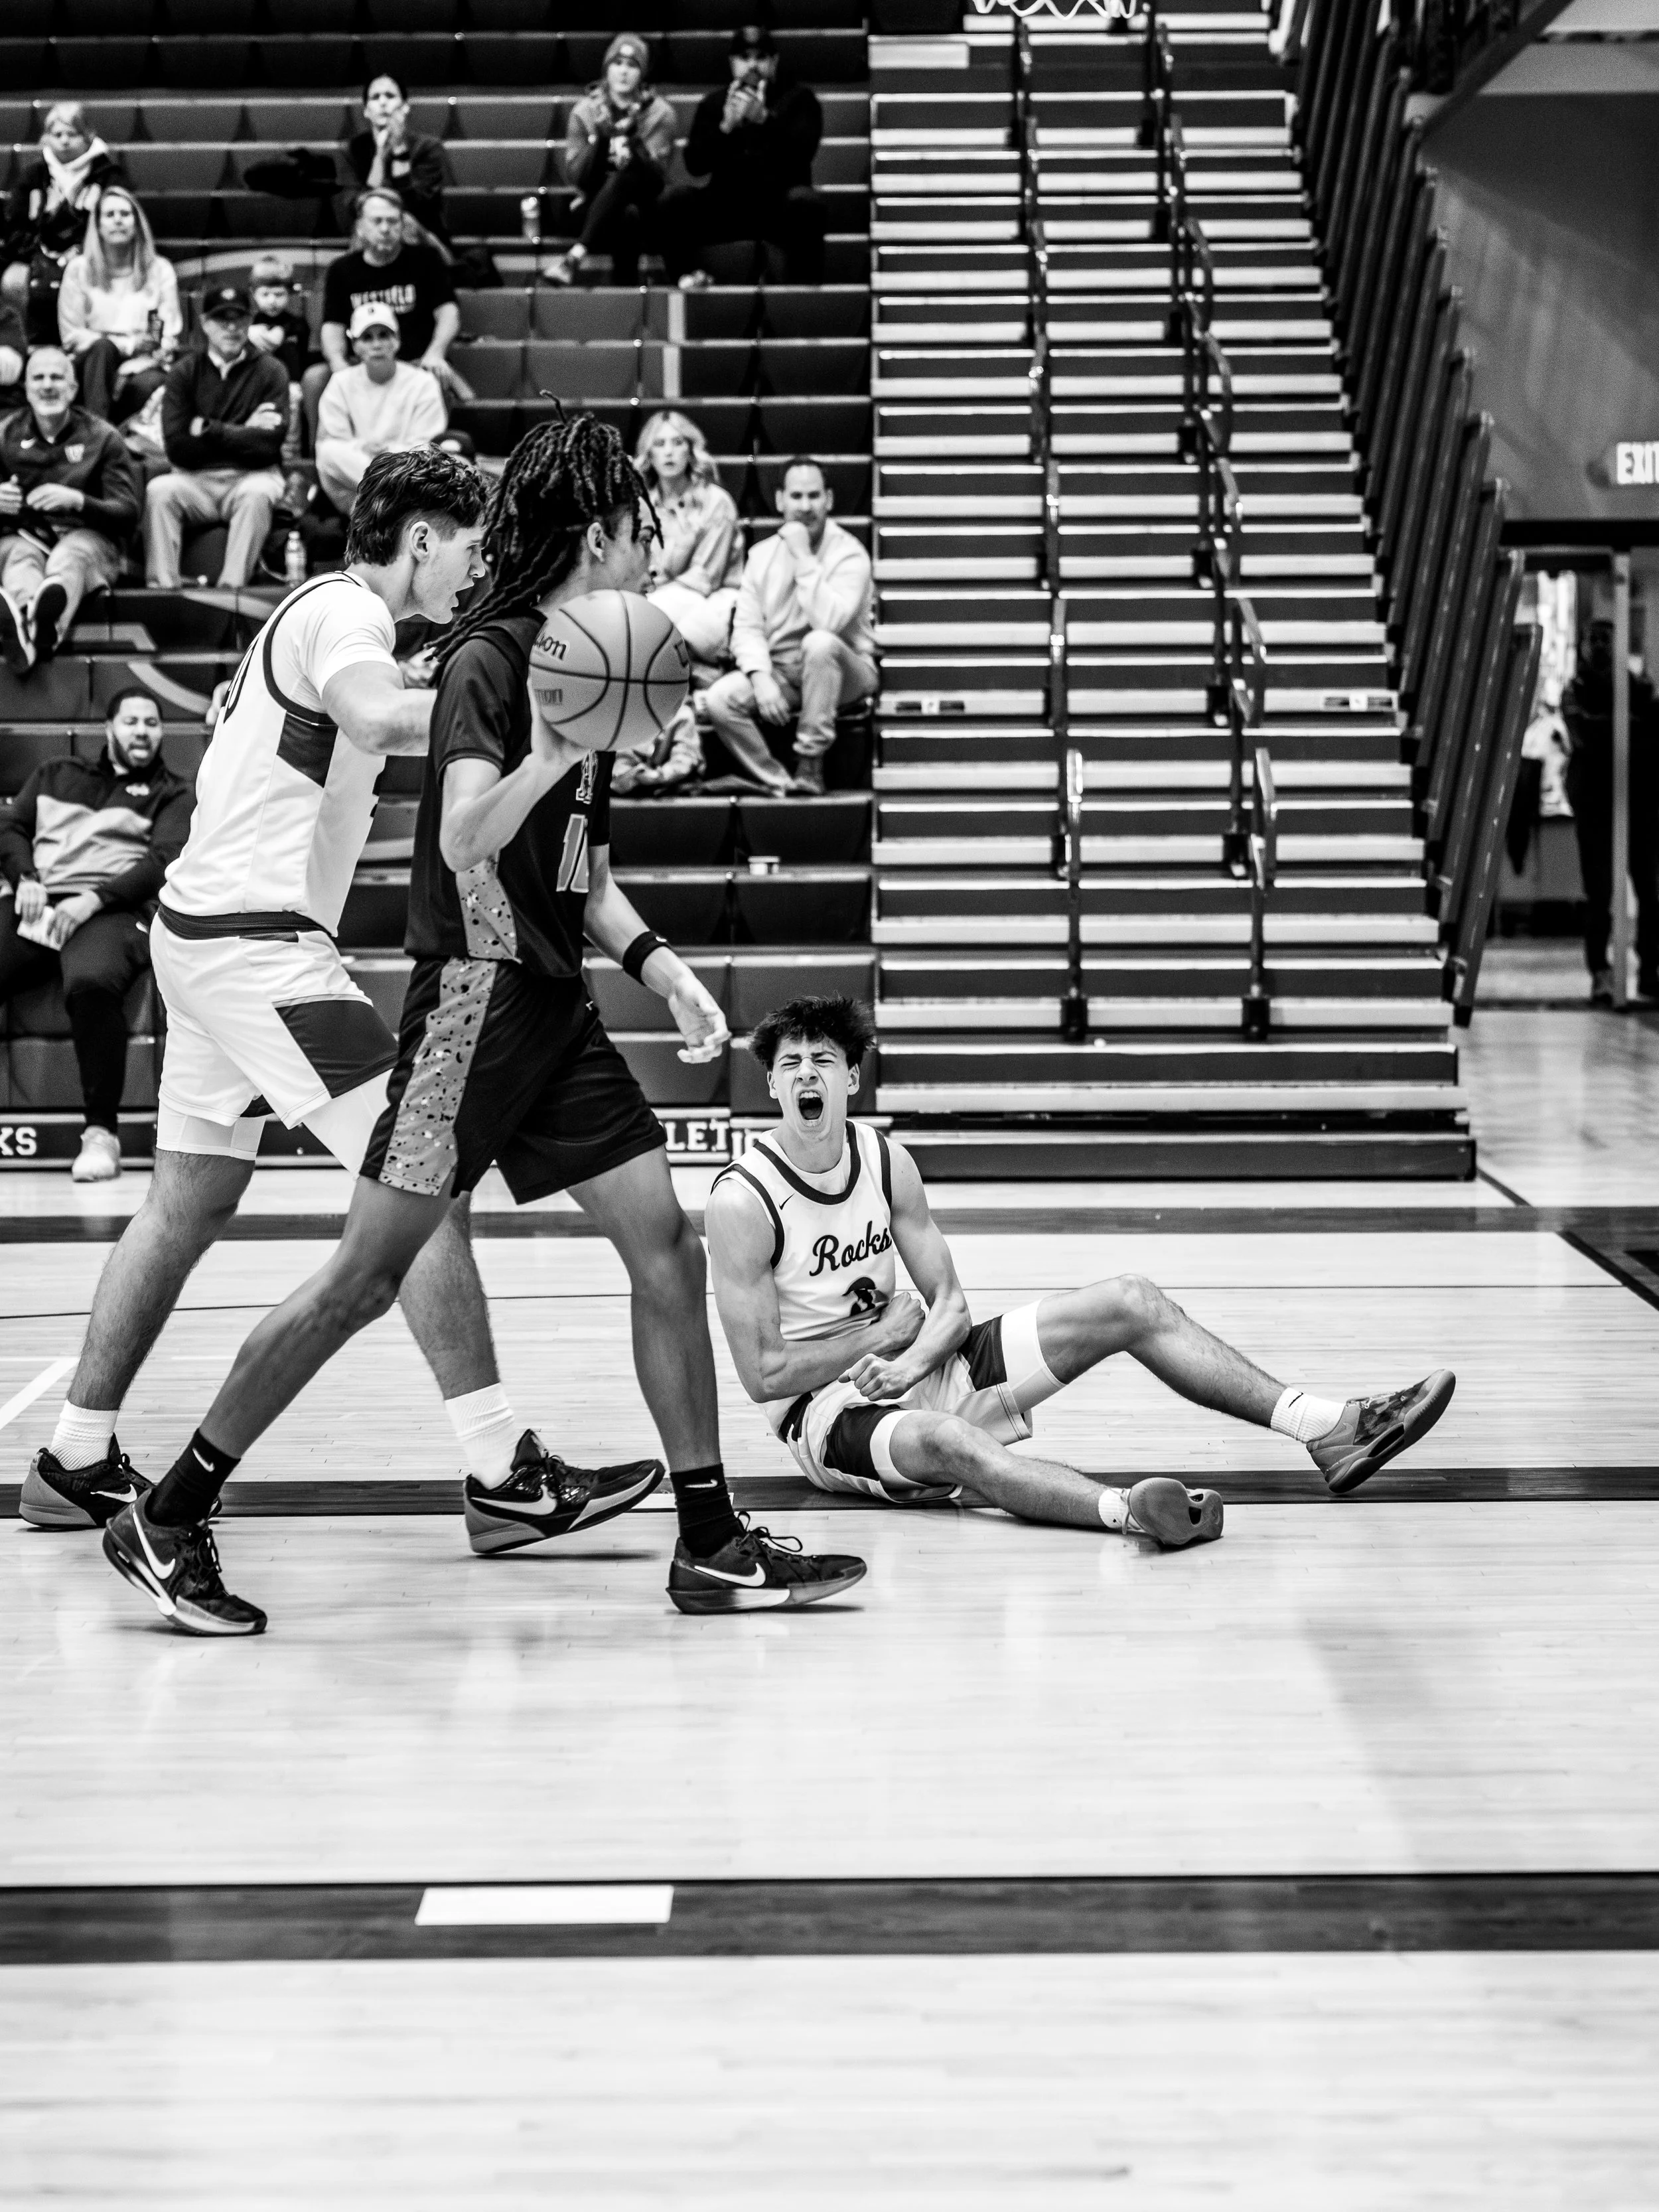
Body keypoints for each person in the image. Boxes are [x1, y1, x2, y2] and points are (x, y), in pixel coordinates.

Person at [96, 415, 867, 1635]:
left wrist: (664, 969)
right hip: (474, 1003)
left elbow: (585, 865)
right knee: (366, 1273)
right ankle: (172, 1507)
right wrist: (555, 745)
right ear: (598, 533)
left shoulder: (595, 653)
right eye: (638, 528)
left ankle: (710, 1538)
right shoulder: (493, 662)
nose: (650, 546)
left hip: (558, 1003)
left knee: (661, 1244)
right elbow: (464, 838)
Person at [23, 450, 613, 1560]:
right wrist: (518, 684)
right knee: (418, 1173)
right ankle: (501, 1470)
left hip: (204, 939)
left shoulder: (330, 617)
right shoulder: (345, 612)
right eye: (469, 544)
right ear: (421, 537)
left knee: (186, 1204)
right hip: (259, 950)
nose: (478, 565)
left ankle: (75, 1453)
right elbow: (380, 718)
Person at [707, 995, 1459, 1536]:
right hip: (829, 1417)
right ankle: (1132, 1512)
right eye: (791, 1064)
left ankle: (1328, 1428)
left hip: (920, 1366)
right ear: (772, 1085)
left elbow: (950, 1307)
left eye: (824, 1060)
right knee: (949, 1443)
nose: (808, 1073)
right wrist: (876, 1343)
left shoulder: (885, 1159)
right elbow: (763, 1376)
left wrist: (912, 1359)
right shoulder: (743, 1200)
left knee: (1131, 1298)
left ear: (851, 1081)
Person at [0, 688, 191, 1185]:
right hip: (40, 901)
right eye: (131, 721)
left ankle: (101, 1134)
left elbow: (163, 861)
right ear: (109, 728)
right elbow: (12, 828)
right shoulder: (56, 774)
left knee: (91, 980)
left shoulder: (173, 793)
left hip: (114, 910)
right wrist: (25, 878)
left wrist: (94, 899)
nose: (143, 731)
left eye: (152, 722)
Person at [704, 456, 875, 796]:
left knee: (820, 643)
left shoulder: (850, 555)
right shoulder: (762, 555)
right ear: (781, 500)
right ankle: (777, 781)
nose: (805, 507)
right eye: (796, 497)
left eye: (814, 496)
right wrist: (760, 677)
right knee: (718, 699)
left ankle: (810, 763)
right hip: (783, 671)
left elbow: (828, 622)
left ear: (829, 500)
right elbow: (747, 627)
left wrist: (802, 556)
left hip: (844, 671)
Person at [0, 345, 143, 676]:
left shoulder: (102, 437)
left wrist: (79, 501)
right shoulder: (5, 435)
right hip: (27, 536)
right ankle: (29, 621)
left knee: (69, 557)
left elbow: (128, 513)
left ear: (74, 388)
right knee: (19, 556)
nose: (48, 385)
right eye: (38, 377)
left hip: (90, 540)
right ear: (26, 388)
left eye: (56, 377)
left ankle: (33, 628)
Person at [660, 25, 826, 291]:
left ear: (774, 62)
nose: (753, 65)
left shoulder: (800, 100)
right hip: (727, 207)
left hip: (776, 207)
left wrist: (764, 120)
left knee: (807, 203)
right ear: (732, 63)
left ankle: (802, 300)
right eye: (745, 58)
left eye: (761, 58)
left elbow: (803, 153)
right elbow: (695, 164)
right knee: (673, 200)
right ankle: (687, 278)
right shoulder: (714, 104)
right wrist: (726, 127)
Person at [306, 190, 463, 445]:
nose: (385, 228)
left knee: (437, 377)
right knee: (315, 379)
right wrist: (340, 368)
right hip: (360, 364)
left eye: (392, 221)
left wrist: (436, 352)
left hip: (414, 363)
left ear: (403, 224)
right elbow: (332, 328)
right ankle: (321, 462)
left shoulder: (426, 261)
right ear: (360, 227)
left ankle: (424, 467)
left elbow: (449, 313)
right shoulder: (341, 270)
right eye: (377, 221)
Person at [1562, 617, 1659, 1005]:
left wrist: (1620, 730)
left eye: (1606, 640)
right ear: (1583, 646)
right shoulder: (1576, 690)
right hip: (1596, 803)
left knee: (1650, 891)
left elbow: (1652, 734)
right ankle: (1600, 973)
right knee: (1599, 892)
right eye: (1593, 640)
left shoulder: (1638, 687)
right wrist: (1626, 729)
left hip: (1640, 799)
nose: (1599, 647)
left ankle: (1650, 970)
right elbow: (1585, 733)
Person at [548, 34, 677, 290]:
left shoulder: (660, 112)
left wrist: (632, 140)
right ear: (607, 69)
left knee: (628, 188)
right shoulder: (584, 111)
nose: (624, 72)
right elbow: (577, 177)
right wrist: (603, 141)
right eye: (617, 64)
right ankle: (626, 295)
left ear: (642, 74)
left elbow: (656, 177)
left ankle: (575, 257)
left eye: (632, 66)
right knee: (625, 215)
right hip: (596, 200)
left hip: (645, 202)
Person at [55, 186, 181, 428]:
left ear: (136, 223)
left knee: (149, 383)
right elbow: (72, 336)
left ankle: (116, 440)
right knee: (102, 349)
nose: (118, 221)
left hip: (143, 364)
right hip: (90, 362)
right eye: (110, 215)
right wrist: (129, 345)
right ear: (98, 226)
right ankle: (99, 435)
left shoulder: (160, 269)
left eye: (125, 214)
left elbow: (169, 335)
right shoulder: (79, 269)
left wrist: (136, 362)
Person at [1, 103, 122, 345]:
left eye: (72, 134)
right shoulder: (33, 174)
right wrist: (38, 254)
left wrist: (81, 251)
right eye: (58, 135)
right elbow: (13, 224)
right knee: (12, 280)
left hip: (90, 256)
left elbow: (116, 221)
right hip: (36, 255)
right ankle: (29, 346)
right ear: (47, 139)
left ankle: (82, 343)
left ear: (89, 137)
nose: (65, 141)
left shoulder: (109, 174)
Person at [314, 302, 447, 514]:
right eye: (367, 338)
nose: (377, 344)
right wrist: (364, 448)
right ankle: (390, 506)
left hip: (404, 469)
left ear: (397, 341)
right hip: (361, 473)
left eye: (384, 335)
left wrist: (388, 452)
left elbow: (427, 445)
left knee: (429, 459)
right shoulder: (341, 382)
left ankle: (379, 510)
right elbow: (335, 443)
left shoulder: (423, 383)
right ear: (355, 346)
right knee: (329, 452)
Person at [633, 408, 743, 666]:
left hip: (713, 598)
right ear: (649, 454)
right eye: (659, 444)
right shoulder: (642, 503)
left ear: (690, 450)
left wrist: (654, 594)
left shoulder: (716, 501)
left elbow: (705, 577)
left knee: (650, 621)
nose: (669, 452)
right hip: (662, 596)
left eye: (677, 442)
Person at [344, 73, 449, 248]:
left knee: (403, 222)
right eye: (375, 97)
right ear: (366, 111)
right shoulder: (353, 149)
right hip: (370, 236)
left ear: (405, 107)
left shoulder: (428, 148)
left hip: (422, 235)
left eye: (390, 96)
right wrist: (380, 156)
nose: (383, 102)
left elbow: (417, 206)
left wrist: (399, 149)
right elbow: (356, 208)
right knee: (371, 225)